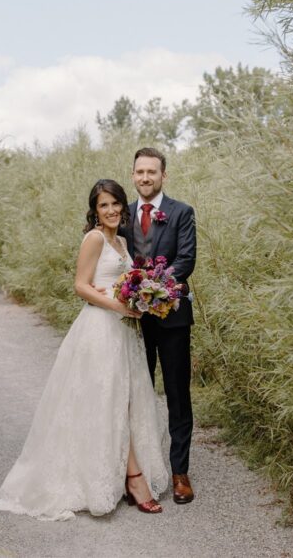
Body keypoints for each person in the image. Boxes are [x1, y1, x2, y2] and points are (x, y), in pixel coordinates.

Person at [0, 179, 169, 520]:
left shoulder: (122, 241)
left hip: (124, 332)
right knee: (109, 399)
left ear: (123, 206)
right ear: (95, 211)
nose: (110, 211)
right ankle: (134, 478)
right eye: (103, 205)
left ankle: (123, 472)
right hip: (100, 329)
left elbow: (122, 283)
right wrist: (119, 305)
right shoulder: (94, 238)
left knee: (124, 399)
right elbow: (80, 286)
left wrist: (140, 299)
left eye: (114, 204)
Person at [123, 147, 197, 504]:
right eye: (140, 172)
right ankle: (139, 470)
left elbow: (186, 260)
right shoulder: (122, 217)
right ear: (133, 175)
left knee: (177, 394)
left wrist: (152, 288)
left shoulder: (181, 212)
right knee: (136, 394)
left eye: (152, 171)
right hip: (132, 322)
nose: (145, 178)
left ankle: (180, 472)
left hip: (172, 319)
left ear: (163, 175)